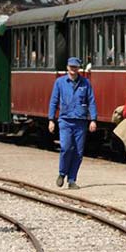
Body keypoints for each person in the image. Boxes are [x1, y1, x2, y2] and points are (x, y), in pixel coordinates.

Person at [48, 57, 97, 189]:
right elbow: (54, 101)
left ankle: (72, 179)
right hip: (65, 120)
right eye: (71, 67)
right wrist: (51, 120)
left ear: (78, 68)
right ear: (67, 67)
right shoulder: (60, 82)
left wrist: (93, 119)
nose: (73, 70)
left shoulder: (86, 83)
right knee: (66, 147)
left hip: (80, 121)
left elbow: (91, 101)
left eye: (75, 67)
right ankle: (62, 173)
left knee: (78, 152)